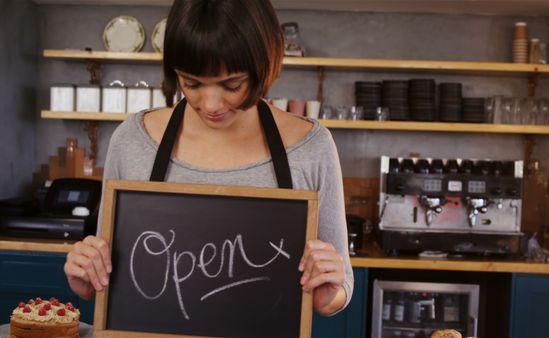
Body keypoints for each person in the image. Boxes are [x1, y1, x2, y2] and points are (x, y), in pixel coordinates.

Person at [63, 0, 353, 316]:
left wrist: (328, 295)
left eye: (232, 84)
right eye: (192, 83)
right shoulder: (132, 140)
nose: (211, 104)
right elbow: (108, 271)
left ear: (263, 67)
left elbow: (341, 286)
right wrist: (88, 275)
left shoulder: (312, 148)